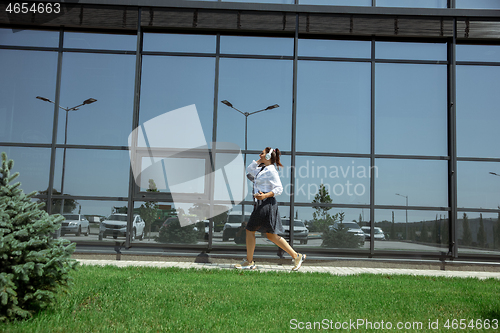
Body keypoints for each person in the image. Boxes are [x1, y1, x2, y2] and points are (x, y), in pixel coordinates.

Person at [235, 147, 306, 271]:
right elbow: (249, 170)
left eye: (261, 153)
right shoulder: (262, 168)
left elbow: (279, 188)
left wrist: (265, 195)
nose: (259, 154)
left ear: (268, 157)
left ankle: (249, 262)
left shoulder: (271, 171)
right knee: (271, 235)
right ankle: (296, 256)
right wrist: (261, 159)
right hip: (262, 203)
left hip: (266, 203)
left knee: (250, 230)